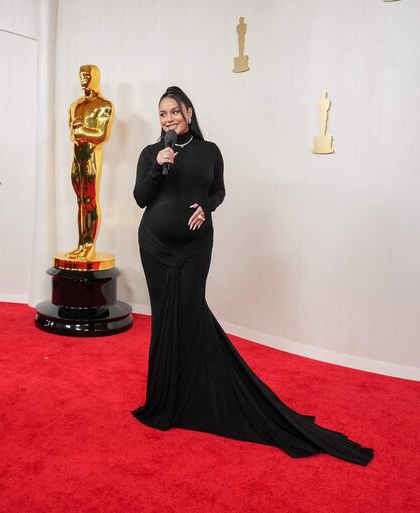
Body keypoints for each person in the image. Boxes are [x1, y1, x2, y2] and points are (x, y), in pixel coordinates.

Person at [131, 86, 374, 466]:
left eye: (174, 112)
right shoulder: (151, 153)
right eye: (161, 114)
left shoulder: (210, 151)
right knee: (164, 319)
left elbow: (220, 191)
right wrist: (156, 167)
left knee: (191, 316)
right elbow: (141, 198)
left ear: (189, 113)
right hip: (154, 247)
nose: (167, 119)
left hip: (195, 248)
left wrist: (206, 208)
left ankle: (199, 396)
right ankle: (164, 400)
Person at [65, 65, 113, 262]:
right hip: (77, 157)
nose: (83, 80)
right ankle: (80, 245)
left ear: (95, 77)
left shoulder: (104, 105)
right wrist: (79, 132)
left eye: (86, 76)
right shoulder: (74, 105)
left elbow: (101, 135)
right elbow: (72, 135)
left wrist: (82, 130)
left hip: (92, 156)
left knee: (90, 201)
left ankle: (89, 246)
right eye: (80, 76)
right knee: (80, 202)